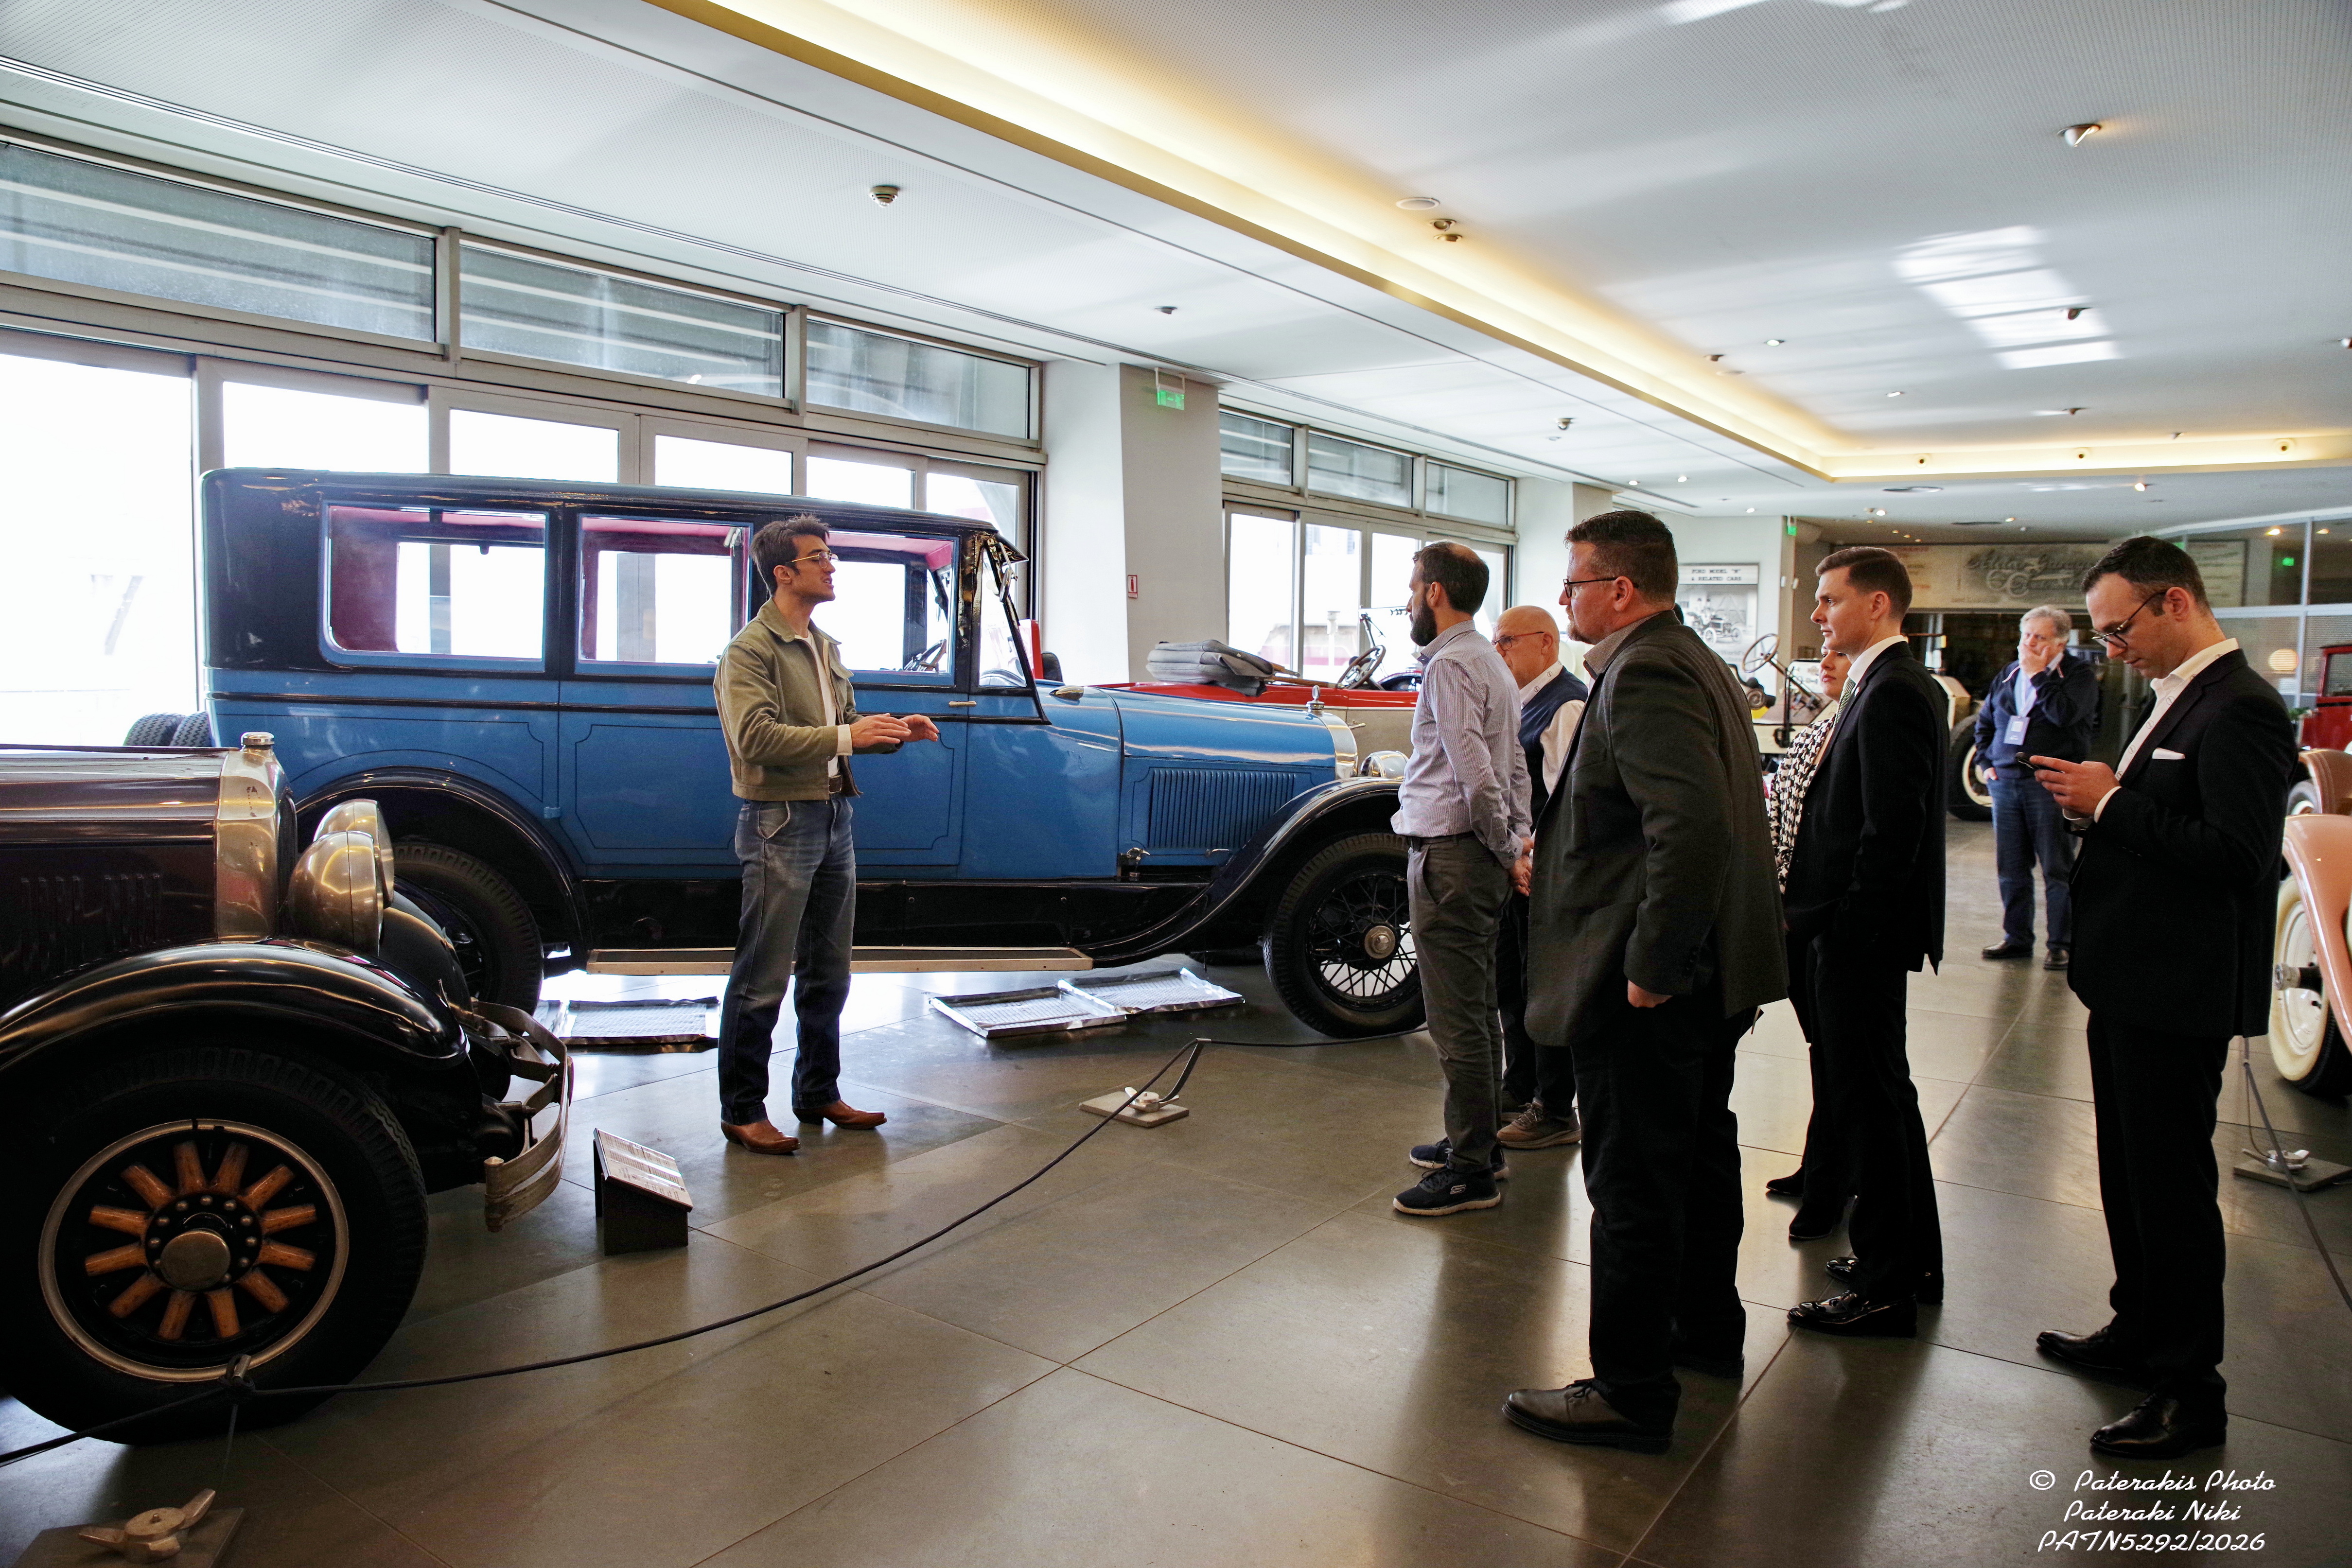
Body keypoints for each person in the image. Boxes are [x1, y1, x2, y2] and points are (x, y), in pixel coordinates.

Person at [1503, 510, 1784, 1452]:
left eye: (1574, 582)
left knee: (1631, 1181)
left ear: (1619, 589)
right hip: (1710, 973)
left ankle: (1628, 1388)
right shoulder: (1685, 656)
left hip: (1651, 981)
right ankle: (1701, 1331)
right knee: (1695, 1159)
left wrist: (1653, 966)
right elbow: (1645, 819)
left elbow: (1689, 829)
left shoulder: (1645, 670)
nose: (1563, 598)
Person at [2030, 537, 2295, 1460]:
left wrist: (2109, 804)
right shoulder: (2175, 695)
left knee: (2172, 1190)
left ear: (2173, 601)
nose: (2113, 648)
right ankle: (2137, 1324)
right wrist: (2097, 808)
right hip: (2129, 976)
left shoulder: (2241, 707)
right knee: (2128, 1173)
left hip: (2177, 989)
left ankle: (2189, 1389)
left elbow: (2237, 856)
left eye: (2118, 629)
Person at [714, 515, 940, 1155]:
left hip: (833, 815)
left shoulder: (822, 645)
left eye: (829, 556)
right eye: (818, 557)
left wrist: (890, 731)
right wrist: (848, 735)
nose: (830, 565)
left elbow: (841, 725)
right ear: (784, 573)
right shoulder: (749, 651)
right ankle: (742, 1110)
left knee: (828, 972)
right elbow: (754, 739)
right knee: (762, 976)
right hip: (780, 820)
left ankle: (817, 1091)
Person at [1782, 547, 1947, 1334]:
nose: (1817, 614)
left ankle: (1885, 1286)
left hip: (1860, 937)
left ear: (1876, 604)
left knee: (1870, 1104)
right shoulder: (1881, 683)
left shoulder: (1894, 690)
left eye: (1829, 599)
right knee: (1881, 1097)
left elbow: (1891, 831)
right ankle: (1908, 1257)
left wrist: (1847, 929)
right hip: (1852, 931)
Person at [1394, 544, 1532, 1217]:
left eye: (1412, 588)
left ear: (1435, 592)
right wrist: (1516, 841)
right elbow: (1514, 767)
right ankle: (1480, 1142)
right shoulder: (1491, 661)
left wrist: (1505, 846)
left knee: (1455, 1020)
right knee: (1478, 1009)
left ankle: (1470, 1169)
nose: (1408, 602)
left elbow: (1475, 774)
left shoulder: (1450, 665)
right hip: (1476, 857)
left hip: (1451, 856)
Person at [1489, 604, 1588, 1152]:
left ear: (1546, 643)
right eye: (1495, 641)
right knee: (1511, 982)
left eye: (1508, 640)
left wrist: (1537, 861)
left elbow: (1567, 802)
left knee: (1543, 989)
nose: (1498, 651)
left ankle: (1554, 1107)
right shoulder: (1520, 702)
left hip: (1544, 876)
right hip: (1517, 870)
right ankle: (1519, 1085)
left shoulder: (1565, 704)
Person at [1758, 649, 1852, 1225]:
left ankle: (1832, 1178)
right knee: (1822, 1049)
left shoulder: (1852, 718)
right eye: (1824, 654)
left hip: (1819, 912)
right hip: (1792, 902)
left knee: (1836, 1056)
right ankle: (1821, 1162)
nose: (1826, 661)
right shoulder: (1827, 717)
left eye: (1839, 654)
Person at [1975, 605, 2101, 971]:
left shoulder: (2078, 675)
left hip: (2050, 784)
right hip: (2006, 783)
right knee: (2011, 866)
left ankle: (2061, 944)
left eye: (2039, 637)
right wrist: (1985, 761)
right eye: (2026, 635)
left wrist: (2038, 676)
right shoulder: (2009, 673)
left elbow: (2065, 715)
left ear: (2060, 642)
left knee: (2057, 867)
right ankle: (2016, 937)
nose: (2029, 644)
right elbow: (1987, 721)